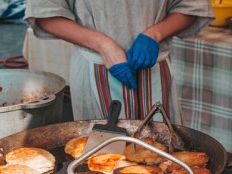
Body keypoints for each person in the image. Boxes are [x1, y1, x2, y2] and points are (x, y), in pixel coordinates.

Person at [24, 1, 213, 122]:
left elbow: (190, 6)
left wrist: (155, 34)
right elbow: (45, 14)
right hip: (95, 71)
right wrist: (102, 45)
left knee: (164, 157)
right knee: (102, 164)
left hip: (155, 70)